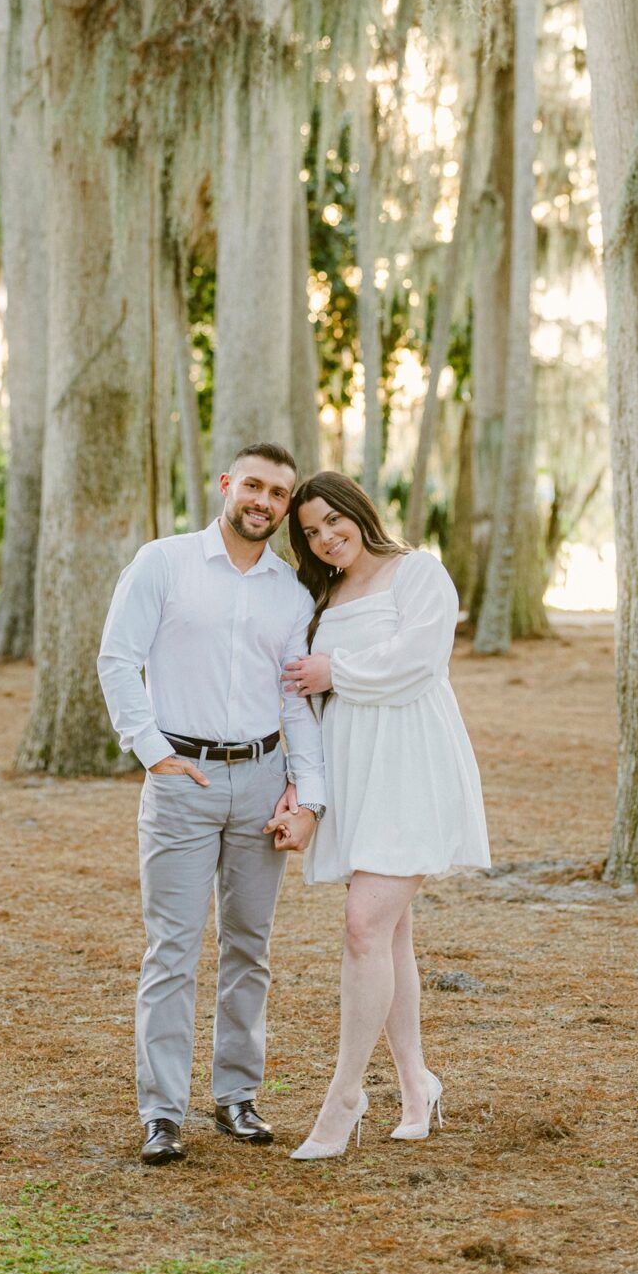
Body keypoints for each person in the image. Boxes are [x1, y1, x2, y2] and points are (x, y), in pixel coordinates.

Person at [96, 442, 327, 1167]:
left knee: (249, 948)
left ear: (286, 508)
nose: (263, 501)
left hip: (261, 781)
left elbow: (296, 704)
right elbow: (116, 657)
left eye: (278, 494)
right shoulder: (163, 563)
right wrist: (152, 751)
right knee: (172, 949)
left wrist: (308, 795)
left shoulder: (291, 594)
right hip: (181, 781)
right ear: (227, 484)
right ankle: (162, 1113)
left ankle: (237, 1098)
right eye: (252, 485)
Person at [271, 470, 491, 1160]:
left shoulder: (417, 572)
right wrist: (300, 783)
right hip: (353, 768)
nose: (327, 537)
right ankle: (416, 1083)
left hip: (410, 764)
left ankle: (344, 1099)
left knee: (364, 926)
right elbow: (303, 696)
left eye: (334, 520)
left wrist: (338, 670)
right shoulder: (322, 594)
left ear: (359, 513)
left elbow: (419, 660)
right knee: (388, 936)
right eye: (311, 531)